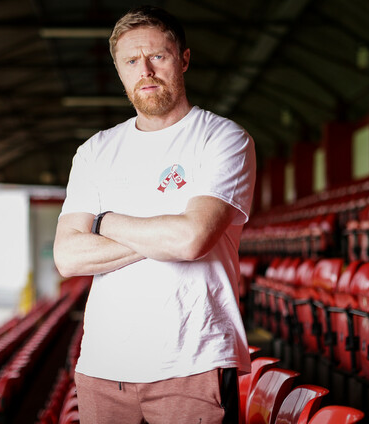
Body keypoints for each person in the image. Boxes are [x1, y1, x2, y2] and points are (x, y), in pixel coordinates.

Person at [53, 5, 256, 423]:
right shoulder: (94, 151)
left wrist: (103, 222)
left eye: (157, 56)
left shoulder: (222, 138)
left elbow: (191, 240)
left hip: (193, 362)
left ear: (183, 59)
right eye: (131, 61)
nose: (144, 70)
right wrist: (166, 232)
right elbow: (68, 257)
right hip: (103, 367)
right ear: (119, 70)